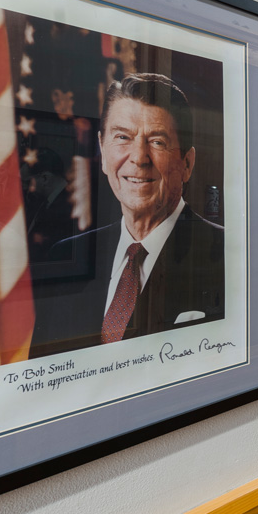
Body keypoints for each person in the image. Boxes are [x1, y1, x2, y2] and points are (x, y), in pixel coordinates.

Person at [30, 73, 224, 358]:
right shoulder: (66, 256)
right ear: (102, 149)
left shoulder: (229, 257)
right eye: (122, 137)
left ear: (186, 163)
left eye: (157, 142)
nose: (138, 158)